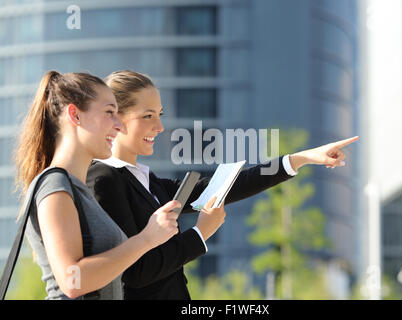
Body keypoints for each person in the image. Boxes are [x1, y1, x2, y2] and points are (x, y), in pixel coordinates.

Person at [86, 70, 359, 300]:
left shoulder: (149, 182)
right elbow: (134, 273)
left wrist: (301, 158)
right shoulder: (103, 180)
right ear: (116, 118)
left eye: (160, 114)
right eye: (148, 116)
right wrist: (200, 234)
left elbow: (226, 186)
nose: (159, 126)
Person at [13, 70, 195, 300]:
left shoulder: (77, 188)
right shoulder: (55, 186)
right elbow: (72, 280)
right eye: (110, 112)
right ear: (75, 116)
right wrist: (147, 239)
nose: (119, 125)